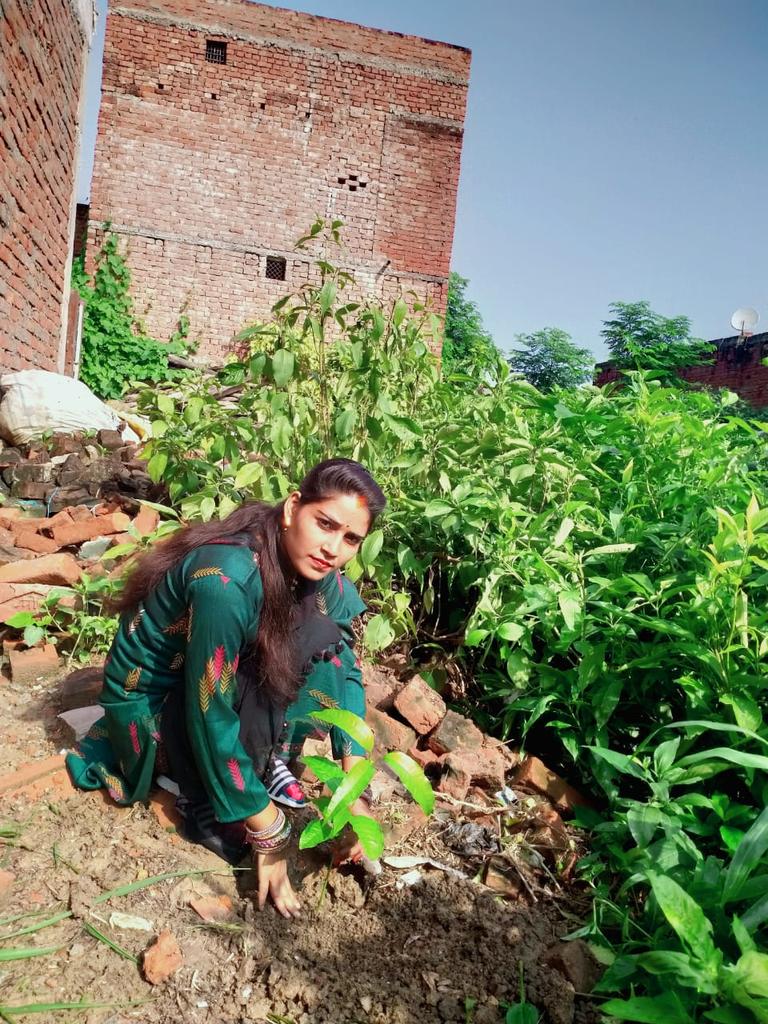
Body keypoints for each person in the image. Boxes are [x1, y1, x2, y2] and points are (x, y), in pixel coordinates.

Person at [66, 458, 386, 918]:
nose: (332, 548)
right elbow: (208, 708)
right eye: (325, 523)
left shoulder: (315, 568)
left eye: (351, 538)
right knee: (250, 688)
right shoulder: (227, 577)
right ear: (293, 508)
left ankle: (262, 761)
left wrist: (355, 794)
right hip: (157, 700)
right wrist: (267, 828)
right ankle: (205, 801)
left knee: (326, 644)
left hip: (211, 677)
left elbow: (345, 666)